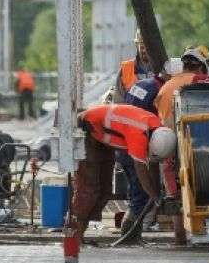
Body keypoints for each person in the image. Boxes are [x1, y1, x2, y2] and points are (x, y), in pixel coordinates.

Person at [71, 103, 176, 241]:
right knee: (89, 191)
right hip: (86, 130)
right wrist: (156, 198)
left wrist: (157, 195)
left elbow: (154, 165)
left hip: (102, 135)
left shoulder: (158, 131)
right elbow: (143, 174)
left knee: (105, 191)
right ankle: (73, 236)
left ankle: (79, 235)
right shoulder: (139, 134)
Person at [153, 46, 209, 243]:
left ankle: (180, 239)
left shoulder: (165, 87)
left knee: (174, 196)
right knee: (202, 190)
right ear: (202, 67)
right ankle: (203, 235)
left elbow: (159, 112)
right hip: (196, 147)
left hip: (169, 148)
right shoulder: (202, 81)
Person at [117, 69, 167, 238]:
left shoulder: (141, 85)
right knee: (139, 196)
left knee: (137, 193)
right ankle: (128, 237)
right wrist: (154, 194)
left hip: (123, 140)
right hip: (133, 143)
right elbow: (144, 164)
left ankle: (133, 235)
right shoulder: (160, 93)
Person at [115, 28, 156, 101]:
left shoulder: (163, 70)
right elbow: (119, 102)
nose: (145, 50)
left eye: (148, 46)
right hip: (132, 111)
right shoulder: (126, 70)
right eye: (142, 45)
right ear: (136, 45)